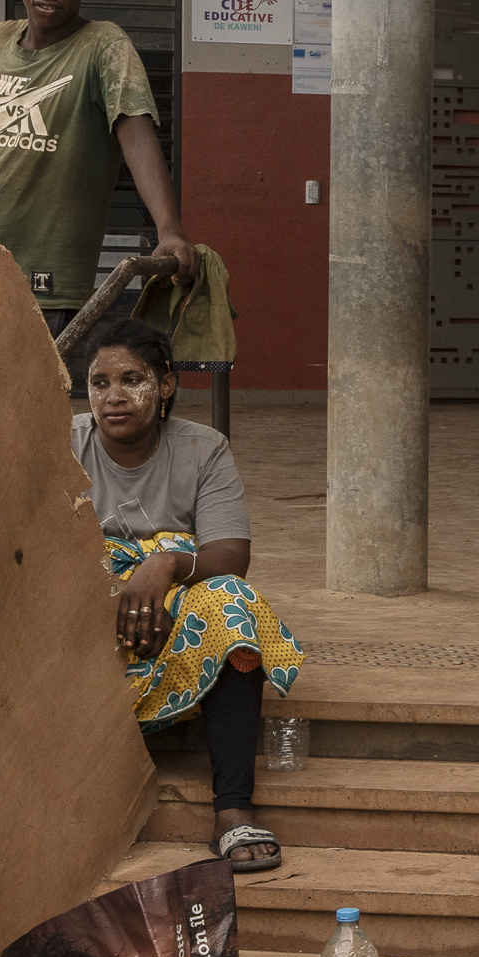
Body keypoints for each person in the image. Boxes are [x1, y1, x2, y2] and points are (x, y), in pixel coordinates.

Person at [75, 317, 303, 874]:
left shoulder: (204, 450)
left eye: (132, 379)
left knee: (233, 603)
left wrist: (166, 564)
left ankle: (232, 810)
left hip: (176, 612)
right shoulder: (63, 447)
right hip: (86, 606)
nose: (114, 396)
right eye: (100, 382)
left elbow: (231, 556)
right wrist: (116, 587)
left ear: (167, 384)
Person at [0, 0, 194, 329]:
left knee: (29, 392)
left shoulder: (103, 46)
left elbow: (137, 139)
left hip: (46, 269)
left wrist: (169, 230)